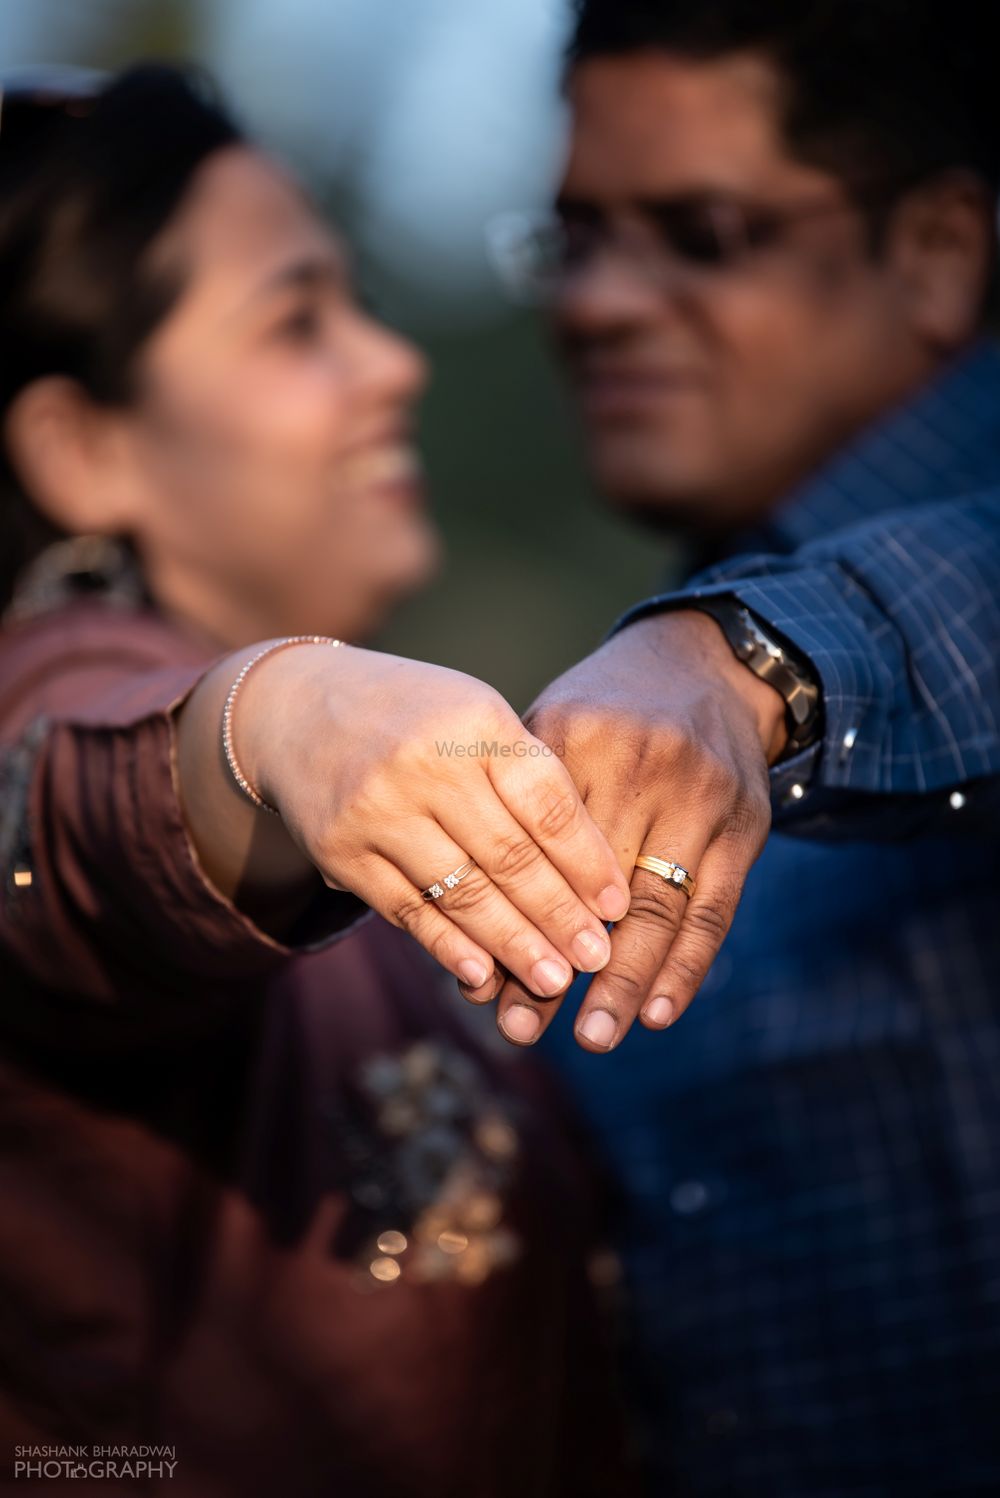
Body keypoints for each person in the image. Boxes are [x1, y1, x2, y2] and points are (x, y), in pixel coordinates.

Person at [0, 65, 637, 1497]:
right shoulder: (50, 681)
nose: (393, 363)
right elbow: (74, 821)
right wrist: (279, 712)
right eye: (298, 321)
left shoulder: (359, 841)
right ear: (84, 447)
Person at [475, 1, 1000, 1492]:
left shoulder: (738, 658)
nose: (596, 303)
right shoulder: (646, 669)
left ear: (939, 252)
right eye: (576, 237)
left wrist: (755, 662)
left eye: (700, 232)